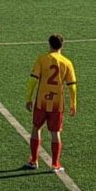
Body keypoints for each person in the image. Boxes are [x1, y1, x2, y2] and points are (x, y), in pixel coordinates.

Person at [24, 34, 77, 172]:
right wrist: (73, 103)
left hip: (41, 101)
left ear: (49, 44)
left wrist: (28, 98)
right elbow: (72, 86)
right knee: (55, 132)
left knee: (36, 129)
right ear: (62, 46)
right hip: (57, 103)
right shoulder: (67, 63)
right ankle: (55, 164)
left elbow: (33, 80)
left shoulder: (42, 59)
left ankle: (34, 161)